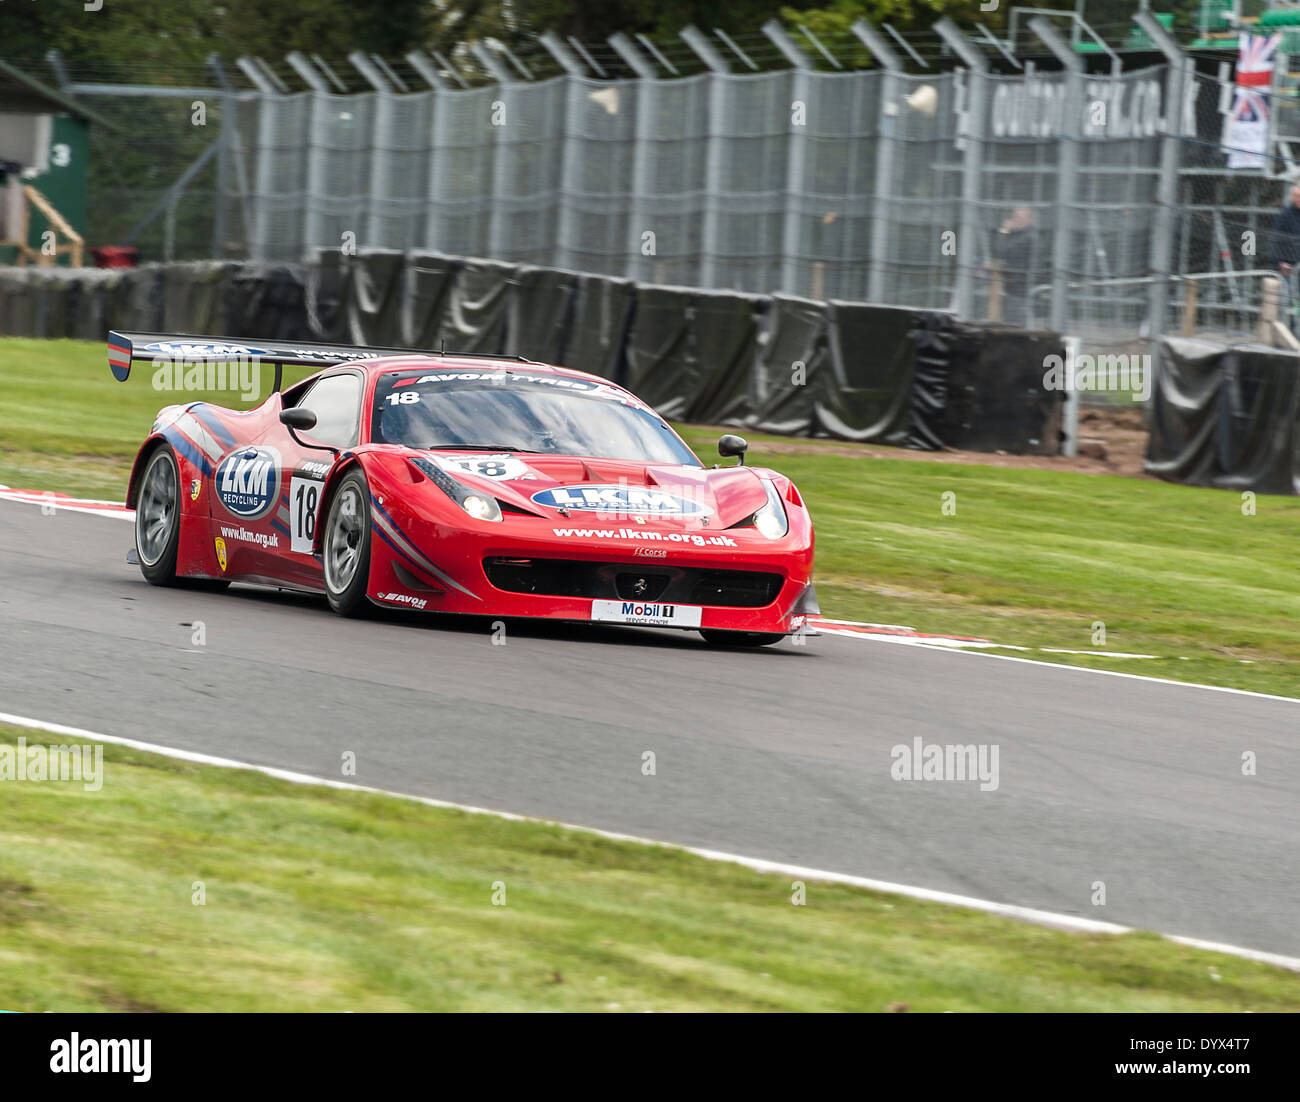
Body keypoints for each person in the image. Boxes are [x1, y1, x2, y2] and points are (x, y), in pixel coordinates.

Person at [991, 205, 1040, 327]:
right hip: (1013, 285)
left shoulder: (1028, 237)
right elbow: (998, 253)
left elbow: (1001, 252)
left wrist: (1004, 231)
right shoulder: (1018, 235)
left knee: (1013, 323)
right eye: (1014, 216)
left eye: (1019, 218)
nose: (1015, 220)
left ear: (1030, 220)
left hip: (1020, 287)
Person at [1269, 184, 1300, 282]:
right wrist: (1280, 263)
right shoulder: (1285, 216)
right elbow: (1275, 240)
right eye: (1297, 196)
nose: (1299, 199)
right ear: (1292, 197)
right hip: (1290, 267)